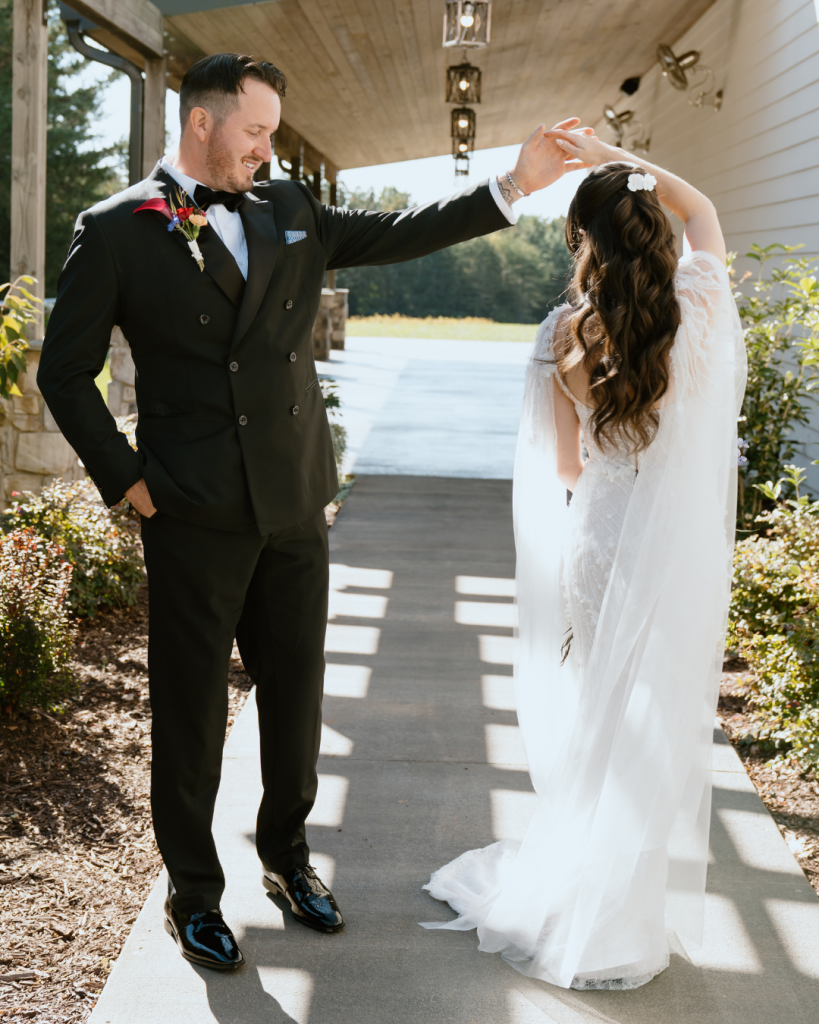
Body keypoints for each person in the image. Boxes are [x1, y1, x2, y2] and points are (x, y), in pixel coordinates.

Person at [37, 52, 592, 971]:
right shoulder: (118, 229)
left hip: (295, 501)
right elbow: (65, 371)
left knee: (295, 698)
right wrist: (127, 479)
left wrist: (512, 184)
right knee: (188, 713)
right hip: (190, 509)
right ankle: (193, 892)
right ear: (202, 123)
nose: (264, 149)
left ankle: (289, 860)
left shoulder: (289, 209)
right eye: (253, 131)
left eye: (270, 133)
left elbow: (405, 229)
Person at [422, 134, 746, 989]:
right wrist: (616, 154)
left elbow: (565, 471)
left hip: (600, 539)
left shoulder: (562, 334)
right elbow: (703, 209)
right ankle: (622, 914)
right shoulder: (699, 306)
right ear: (652, 231)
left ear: (584, 245)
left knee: (598, 717)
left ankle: (582, 900)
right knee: (655, 726)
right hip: (672, 547)